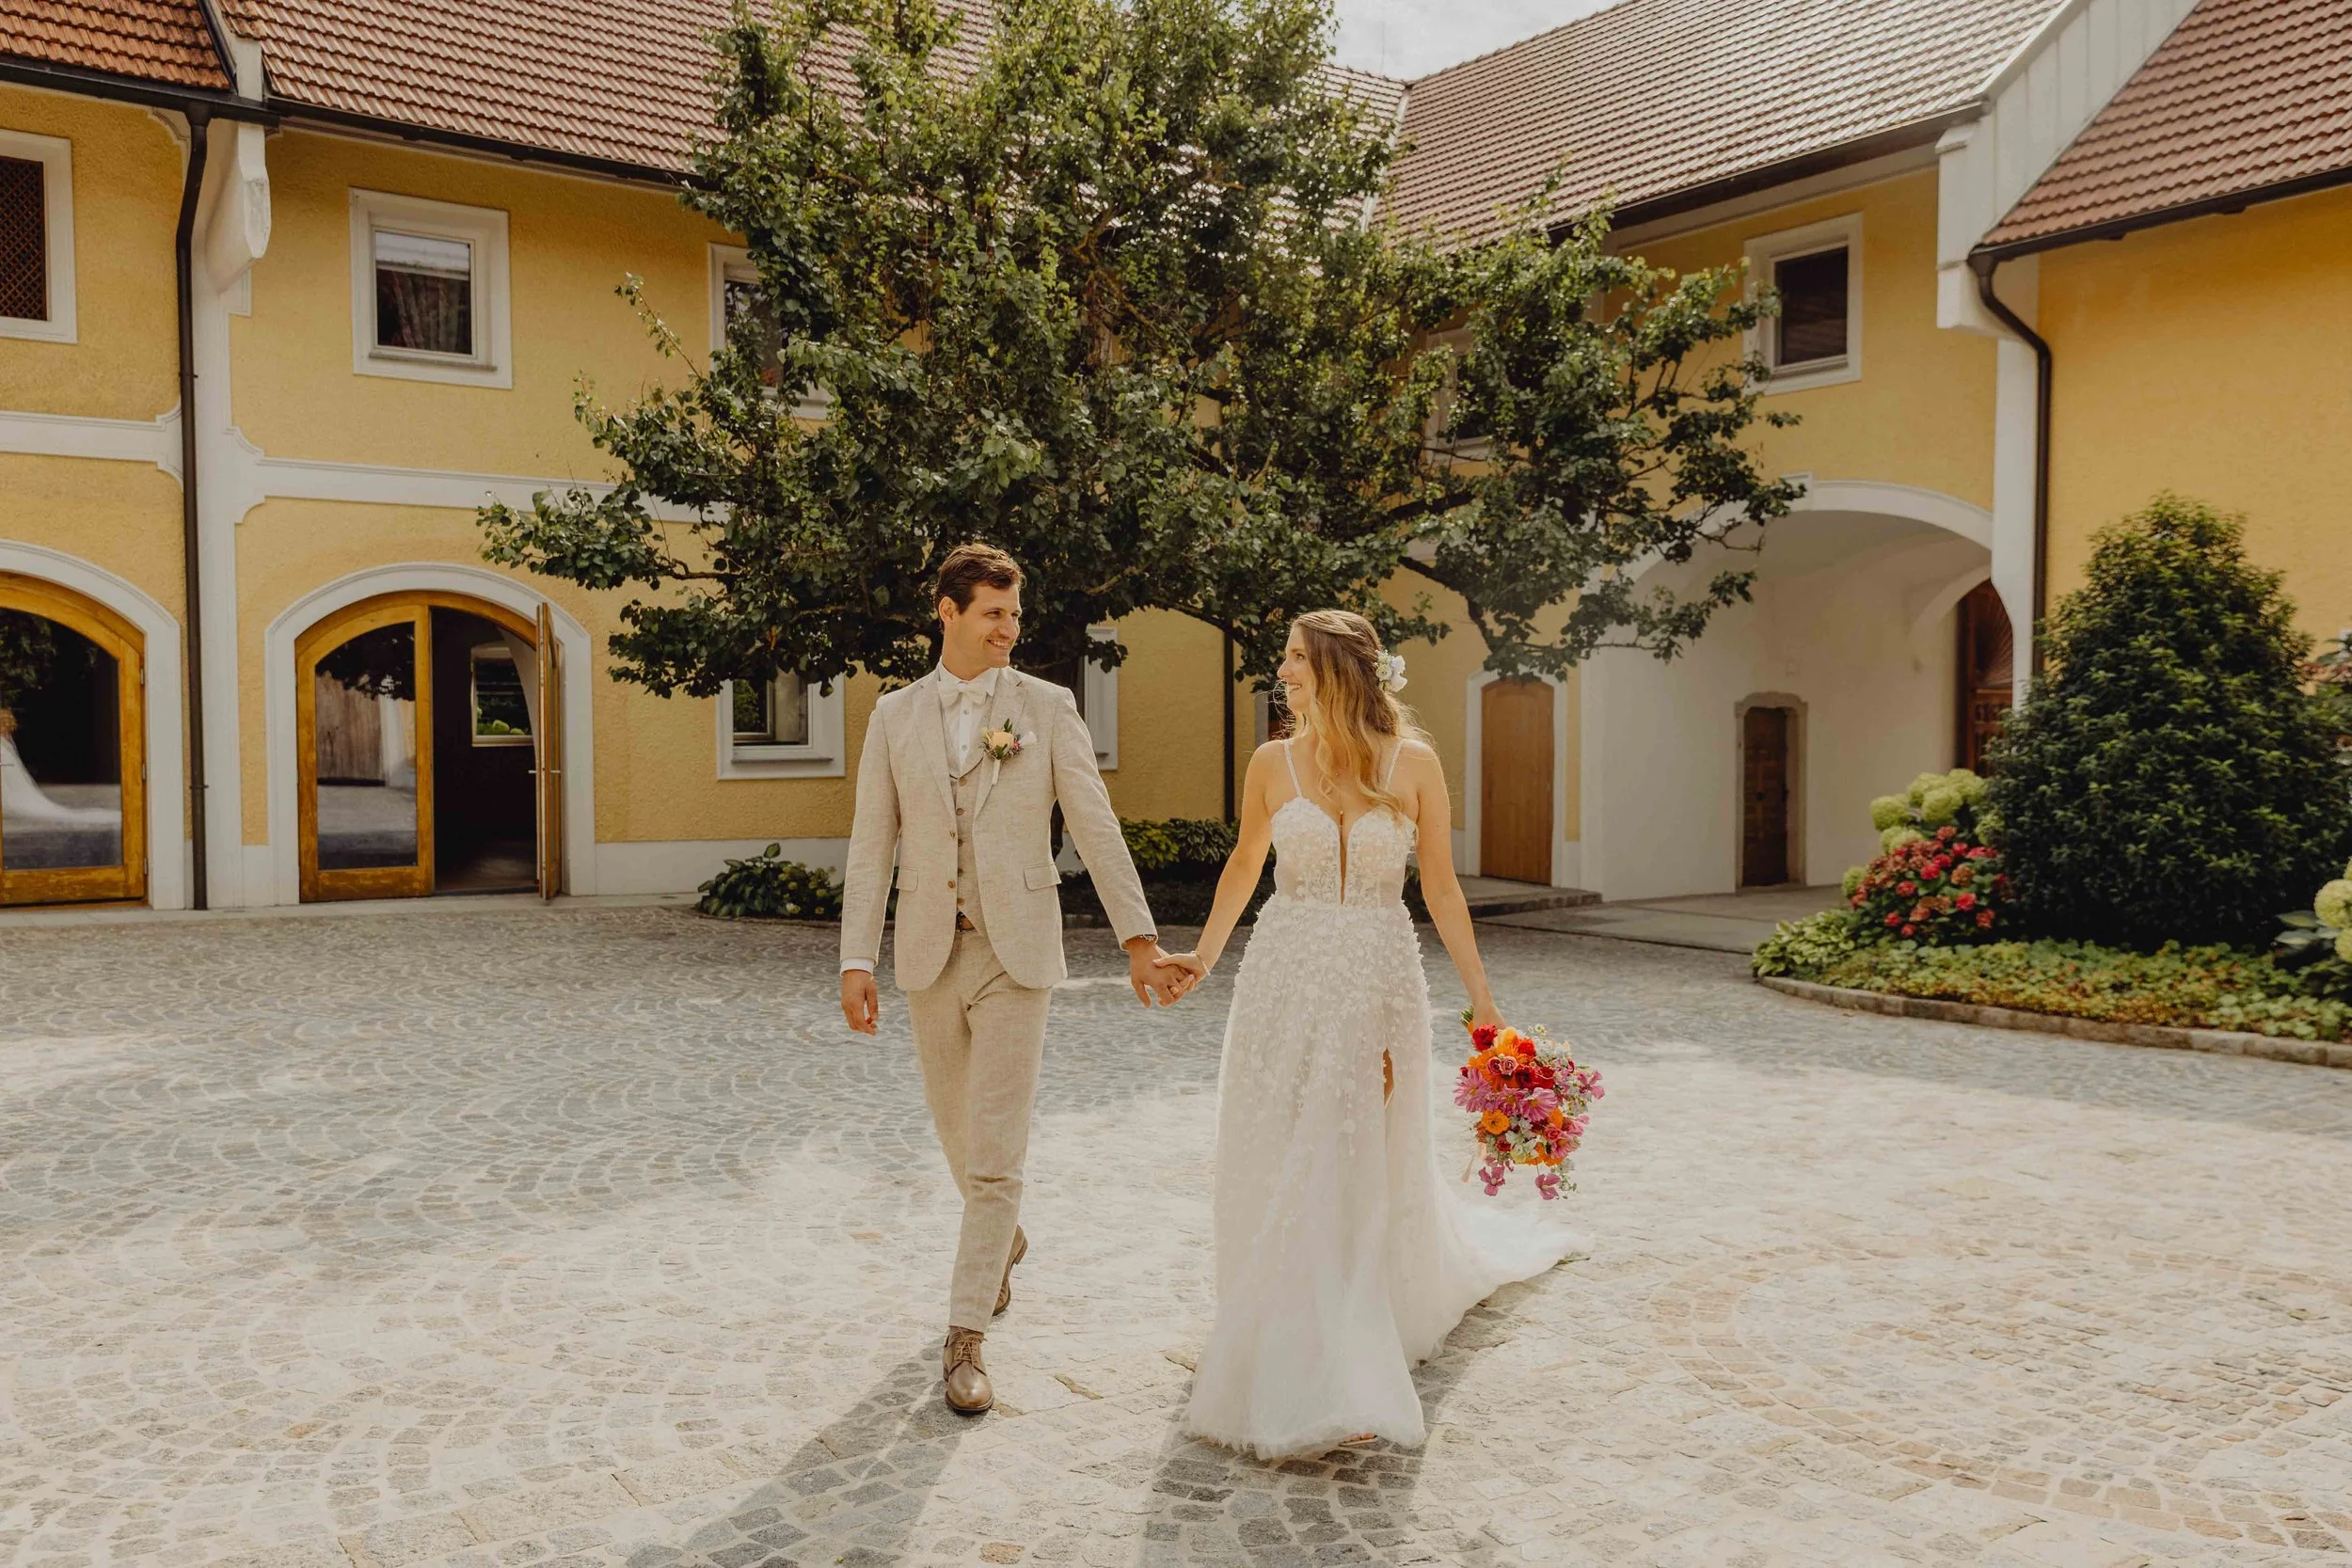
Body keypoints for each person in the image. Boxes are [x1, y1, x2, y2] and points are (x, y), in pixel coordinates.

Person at [1159, 610, 1585, 1460]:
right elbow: (1246, 863)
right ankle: (1280, 1308)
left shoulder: (1416, 763)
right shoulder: (1270, 764)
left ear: (1333, 670)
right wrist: (1202, 959)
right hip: (1284, 973)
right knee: (1285, 1139)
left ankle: (1345, 1347)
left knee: (1354, 1144)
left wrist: (1484, 1001)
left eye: (1291, 658)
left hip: (1378, 976)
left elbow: (1442, 888)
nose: (1280, 671)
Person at [839, 543, 1191, 1417]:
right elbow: (869, 844)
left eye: (1016, 613)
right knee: (956, 1132)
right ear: (948, 611)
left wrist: (1139, 938)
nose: (1012, 627)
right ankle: (1004, 1240)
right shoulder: (893, 715)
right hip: (927, 949)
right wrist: (856, 956)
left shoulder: (1046, 705)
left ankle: (965, 1338)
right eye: (995, 612)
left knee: (997, 1149)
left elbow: (1096, 824)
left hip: (1018, 952)